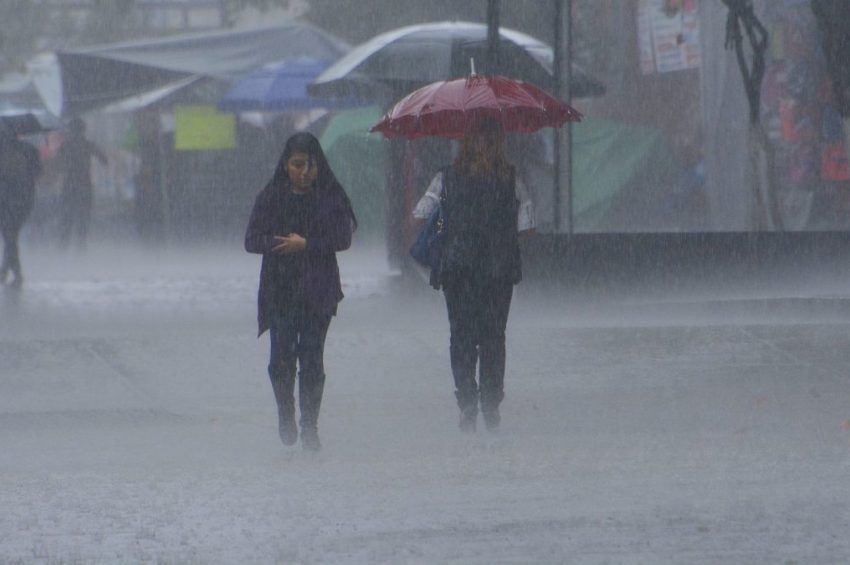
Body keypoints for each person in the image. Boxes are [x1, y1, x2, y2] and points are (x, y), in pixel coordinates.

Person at [413, 117, 535, 433]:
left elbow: (422, 214)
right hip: (498, 269)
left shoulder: (447, 178)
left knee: (462, 337)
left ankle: (468, 404)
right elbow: (527, 226)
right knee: (493, 337)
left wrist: (446, 224)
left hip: (458, 269)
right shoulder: (512, 178)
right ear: (499, 144)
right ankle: (491, 405)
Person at [244, 132, 357, 452]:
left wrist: (307, 245)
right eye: (297, 165)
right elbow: (252, 240)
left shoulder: (329, 199)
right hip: (279, 290)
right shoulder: (271, 198)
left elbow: (342, 239)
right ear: (286, 165)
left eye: (311, 165)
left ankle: (310, 424)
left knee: (312, 358)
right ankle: (286, 414)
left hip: (318, 290)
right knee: (281, 359)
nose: (305, 172)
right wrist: (282, 245)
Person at [0, 121, 42, 288]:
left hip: (12, 199)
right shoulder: (29, 149)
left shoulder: (21, 151)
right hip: (21, 198)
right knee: (10, 235)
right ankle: (6, 271)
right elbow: (37, 172)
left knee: (9, 235)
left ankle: (15, 274)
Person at [58, 116, 107, 249]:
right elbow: (104, 160)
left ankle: (63, 250)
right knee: (82, 221)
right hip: (84, 186)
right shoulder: (87, 144)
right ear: (83, 130)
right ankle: (80, 250)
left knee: (67, 221)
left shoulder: (65, 146)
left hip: (69, 186)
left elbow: (58, 165)